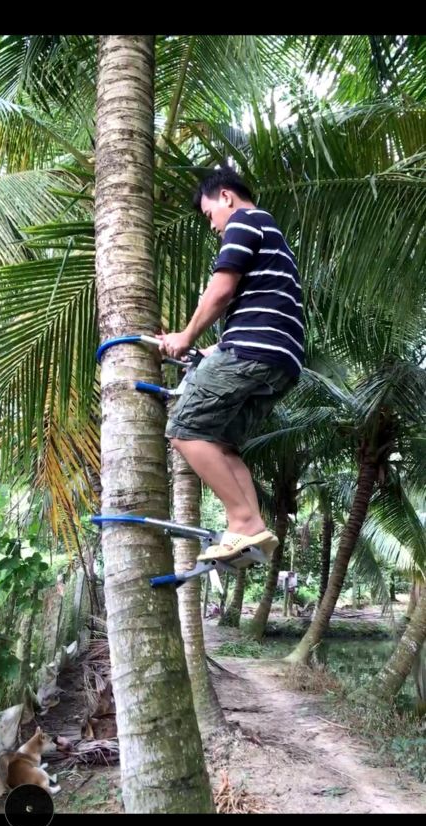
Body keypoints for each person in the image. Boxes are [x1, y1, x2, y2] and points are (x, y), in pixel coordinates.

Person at [157, 165, 304, 562]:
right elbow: (263, 303)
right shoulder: (271, 233)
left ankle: (242, 519)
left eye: (210, 215)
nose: (213, 226)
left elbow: (221, 291)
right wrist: (216, 349)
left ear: (226, 196)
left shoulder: (243, 221)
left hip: (252, 351)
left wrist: (185, 337)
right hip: (281, 360)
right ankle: (253, 529)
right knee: (222, 443)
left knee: (185, 430)